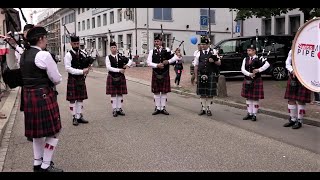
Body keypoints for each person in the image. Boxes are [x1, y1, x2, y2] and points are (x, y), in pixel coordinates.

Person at [19, 26, 63, 172]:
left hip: (29, 96)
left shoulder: (24, 55)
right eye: (45, 37)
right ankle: (46, 165)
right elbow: (56, 79)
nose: (47, 40)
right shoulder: (43, 55)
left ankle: (37, 163)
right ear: (40, 39)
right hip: (43, 95)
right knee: (53, 132)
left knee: (37, 134)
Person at [147, 35, 182, 115]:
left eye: (158, 41)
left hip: (165, 73)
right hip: (156, 73)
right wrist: (157, 65)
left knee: (163, 92)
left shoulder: (167, 50)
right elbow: (148, 62)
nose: (156, 43)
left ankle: (162, 107)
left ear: (161, 42)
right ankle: (157, 107)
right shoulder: (152, 51)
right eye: (155, 41)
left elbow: (176, 58)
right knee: (156, 92)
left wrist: (168, 61)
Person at [64, 36, 90, 126]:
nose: (76, 45)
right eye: (74, 43)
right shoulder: (68, 55)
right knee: (72, 99)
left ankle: (79, 116)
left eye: (77, 43)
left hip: (80, 79)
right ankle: (74, 117)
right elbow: (68, 68)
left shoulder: (82, 53)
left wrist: (87, 67)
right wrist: (81, 71)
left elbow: (85, 63)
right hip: (73, 79)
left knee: (80, 98)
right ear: (71, 44)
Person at [241, 44, 270, 121]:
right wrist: (249, 74)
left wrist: (258, 70)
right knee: (248, 97)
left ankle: (254, 114)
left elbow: (267, 64)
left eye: (250, 50)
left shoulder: (259, 58)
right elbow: (242, 69)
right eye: (247, 50)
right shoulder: (245, 59)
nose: (248, 52)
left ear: (254, 51)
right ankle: (249, 113)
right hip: (247, 79)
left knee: (255, 98)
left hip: (256, 80)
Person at [193, 36, 221, 116]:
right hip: (201, 74)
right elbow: (196, 66)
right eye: (202, 44)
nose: (203, 46)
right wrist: (195, 77)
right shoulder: (198, 53)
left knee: (209, 93)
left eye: (205, 44)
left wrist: (214, 61)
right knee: (202, 93)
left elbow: (219, 63)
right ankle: (203, 108)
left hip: (210, 74)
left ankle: (208, 108)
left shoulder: (214, 52)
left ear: (208, 44)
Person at [283, 50, 311, 129]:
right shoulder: (292, 51)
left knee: (300, 100)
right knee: (291, 99)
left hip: (304, 77)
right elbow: (287, 62)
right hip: (293, 76)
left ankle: (299, 121)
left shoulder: (309, 51)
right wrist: (292, 71)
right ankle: (292, 119)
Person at [105, 41, 132, 117]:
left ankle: (119, 109)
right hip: (112, 76)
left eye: (115, 47)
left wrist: (127, 65)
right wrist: (119, 70)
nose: (114, 49)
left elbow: (130, 61)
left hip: (120, 77)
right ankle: (114, 109)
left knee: (120, 93)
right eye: (112, 47)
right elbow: (108, 68)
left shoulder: (121, 56)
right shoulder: (108, 57)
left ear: (117, 48)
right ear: (110, 49)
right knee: (113, 94)